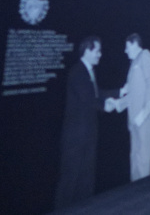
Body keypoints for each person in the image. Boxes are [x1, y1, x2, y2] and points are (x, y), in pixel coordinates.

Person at [54, 37, 114, 209]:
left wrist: (119, 92)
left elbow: (96, 93)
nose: (100, 55)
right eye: (97, 51)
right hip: (75, 138)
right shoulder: (77, 72)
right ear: (87, 51)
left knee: (86, 181)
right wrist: (106, 106)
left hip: (87, 135)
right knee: (69, 181)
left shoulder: (89, 71)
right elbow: (89, 99)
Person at [112, 33, 150, 181]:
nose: (125, 51)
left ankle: (144, 192)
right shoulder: (133, 64)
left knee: (143, 157)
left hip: (143, 116)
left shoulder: (145, 55)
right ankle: (134, 190)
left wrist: (145, 111)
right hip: (133, 118)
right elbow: (132, 93)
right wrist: (117, 104)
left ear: (134, 44)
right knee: (135, 156)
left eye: (127, 47)